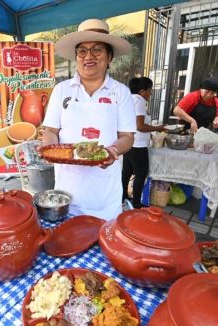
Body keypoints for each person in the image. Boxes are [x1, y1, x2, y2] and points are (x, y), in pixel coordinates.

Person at [41, 18, 136, 220]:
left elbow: (127, 136)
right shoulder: (61, 90)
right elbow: (50, 131)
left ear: (109, 56)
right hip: (67, 188)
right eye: (82, 51)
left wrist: (113, 150)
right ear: (76, 57)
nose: (88, 56)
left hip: (104, 191)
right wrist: (50, 149)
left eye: (97, 50)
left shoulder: (121, 92)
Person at [122, 77, 165, 209]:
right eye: (149, 90)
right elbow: (139, 126)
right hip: (138, 145)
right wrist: (157, 128)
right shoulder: (139, 101)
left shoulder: (129, 99)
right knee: (141, 173)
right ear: (142, 91)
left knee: (126, 172)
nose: (151, 93)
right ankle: (136, 204)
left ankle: (122, 197)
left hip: (128, 142)